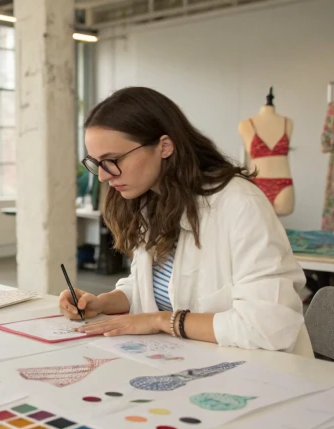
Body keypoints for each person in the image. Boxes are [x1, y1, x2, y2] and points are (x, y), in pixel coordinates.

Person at [59, 87, 312, 355]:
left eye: (112, 160)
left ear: (164, 147)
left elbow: (270, 326)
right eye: (96, 163)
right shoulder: (150, 200)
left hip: (263, 374)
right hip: (188, 362)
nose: (102, 176)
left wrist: (160, 321)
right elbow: (150, 289)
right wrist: (101, 303)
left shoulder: (239, 203)